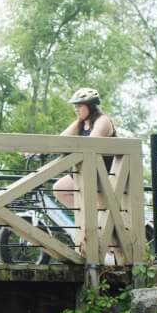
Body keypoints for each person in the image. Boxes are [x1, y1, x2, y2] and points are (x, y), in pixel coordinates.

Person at [52, 87, 116, 243]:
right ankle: (88, 217)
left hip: (104, 175)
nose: (76, 109)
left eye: (79, 106)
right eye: (75, 106)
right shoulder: (80, 123)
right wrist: (38, 150)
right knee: (60, 189)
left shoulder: (103, 121)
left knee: (82, 198)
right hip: (85, 174)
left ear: (91, 106)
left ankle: (96, 227)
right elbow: (61, 139)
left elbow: (90, 145)